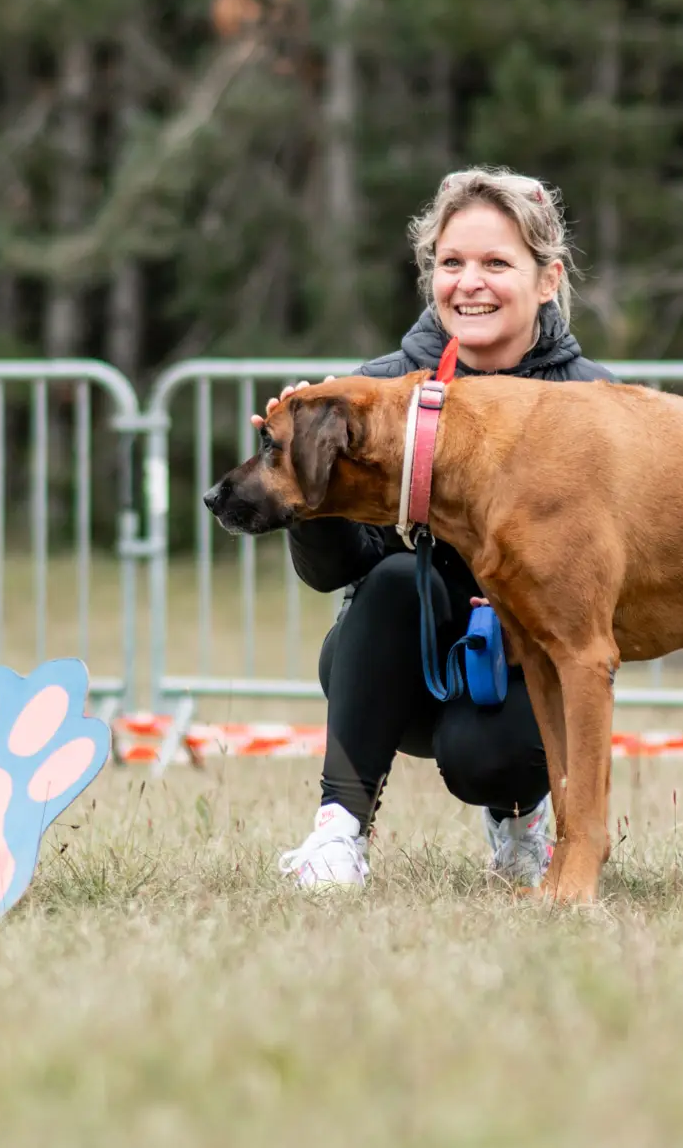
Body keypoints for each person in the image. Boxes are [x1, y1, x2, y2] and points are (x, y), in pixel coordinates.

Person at [264, 167, 613, 889]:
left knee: (486, 755)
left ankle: (521, 823)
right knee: (389, 579)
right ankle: (338, 832)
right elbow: (333, 570)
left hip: (523, 680)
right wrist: (303, 480)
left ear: (547, 280)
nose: (469, 283)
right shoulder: (376, 389)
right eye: (451, 263)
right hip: (399, 666)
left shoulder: (594, 405)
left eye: (496, 263)